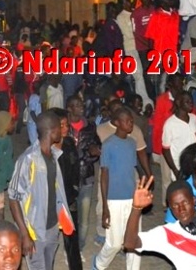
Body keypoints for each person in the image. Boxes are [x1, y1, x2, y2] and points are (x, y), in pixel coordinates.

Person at [8, 111, 74, 270]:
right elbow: (13, 197)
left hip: (52, 227)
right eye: (60, 127)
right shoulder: (28, 159)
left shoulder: (53, 155)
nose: (63, 130)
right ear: (52, 130)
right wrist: (24, 234)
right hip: (34, 230)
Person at [93, 107, 141, 270]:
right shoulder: (108, 145)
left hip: (132, 199)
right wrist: (105, 206)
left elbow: (132, 171)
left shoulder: (132, 143)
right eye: (128, 121)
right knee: (114, 243)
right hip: (114, 199)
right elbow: (104, 175)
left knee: (134, 239)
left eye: (132, 121)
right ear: (117, 123)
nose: (131, 124)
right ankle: (99, 264)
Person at [66, 95, 102, 252]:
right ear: (69, 108)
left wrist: (94, 152)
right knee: (67, 217)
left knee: (85, 218)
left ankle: (79, 248)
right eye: (76, 105)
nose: (81, 107)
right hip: (67, 178)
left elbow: (96, 146)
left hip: (86, 176)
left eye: (81, 104)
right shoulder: (62, 126)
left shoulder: (90, 126)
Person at [52, 108, 84, 270]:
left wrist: (74, 189)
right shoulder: (46, 148)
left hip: (69, 197)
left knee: (71, 236)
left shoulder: (70, 143)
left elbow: (75, 167)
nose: (65, 129)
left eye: (66, 125)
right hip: (51, 200)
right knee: (48, 240)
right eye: (61, 125)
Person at [151, 73, 185, 207]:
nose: (180, 85)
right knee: (166, 178)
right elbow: (158, 125)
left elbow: (194, 117)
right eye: (177, 82)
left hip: (182, 144)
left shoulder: (184, 98)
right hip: (167, 146)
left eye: (180, 82)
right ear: (170, 85)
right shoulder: (162, 100)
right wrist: (157, 149)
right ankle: (167, 204)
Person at [162, 91, 196, 183]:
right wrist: (175, 170)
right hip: (180, 168)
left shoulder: (194, 118)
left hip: (193, 165)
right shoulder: (170, 124)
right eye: (187, 101)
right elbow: (166, 150)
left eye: (191, 101)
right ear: (178, 103)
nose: (191, 104)